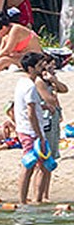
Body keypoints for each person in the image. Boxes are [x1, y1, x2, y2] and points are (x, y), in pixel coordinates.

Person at [14, 51, 49, 204]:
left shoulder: (22, 82)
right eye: (40, 65)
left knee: (43, 164)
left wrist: (43, 105)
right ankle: (23, 201)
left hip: (27, 129)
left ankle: (37, 200)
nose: (43, 67)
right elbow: (30, 113)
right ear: (30, 68)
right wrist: (39, 135)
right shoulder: (30, 87)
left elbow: (28, 106)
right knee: (29, 164)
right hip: (31, 131)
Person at [34, 54, 67, 204]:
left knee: (51, 159)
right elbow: (50, 99)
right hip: (46, 122)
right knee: (43, 160)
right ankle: (39, 195)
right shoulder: (40, 81)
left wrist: (54, 80)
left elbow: (64, 89)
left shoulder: (50, 80)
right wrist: (52, 85)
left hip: (53, 121)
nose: (52, 67)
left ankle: (45, 194)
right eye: (49, 65)